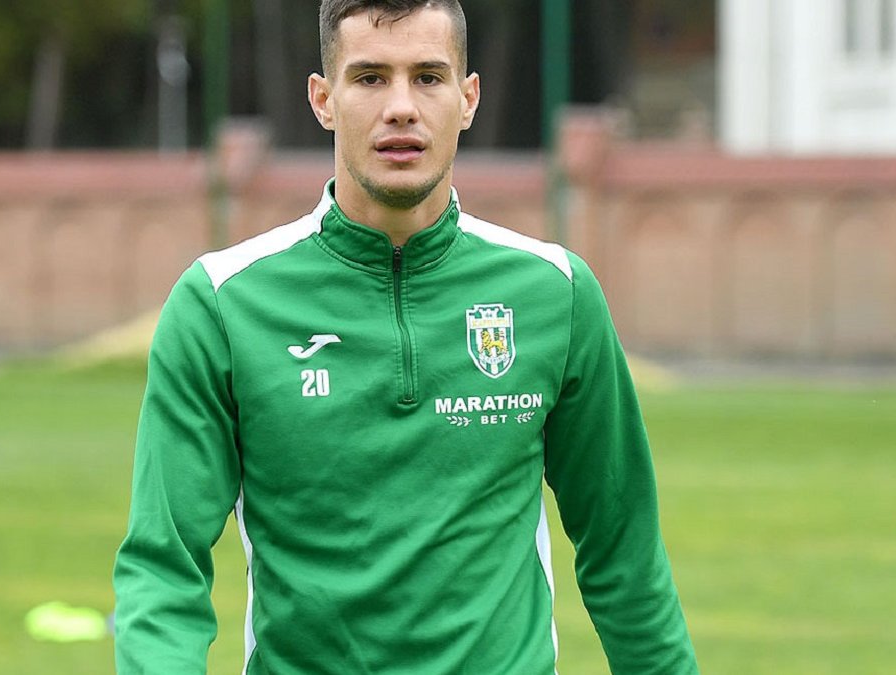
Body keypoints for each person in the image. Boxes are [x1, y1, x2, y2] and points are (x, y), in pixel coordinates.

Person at [113, 1, 699, 673]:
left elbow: (624, 552)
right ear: (323, 99)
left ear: (468, 98)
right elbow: (165, 565)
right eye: (370, 78)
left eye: (428, 77)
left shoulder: (556, 294)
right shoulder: (221, 304)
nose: (401, 107)